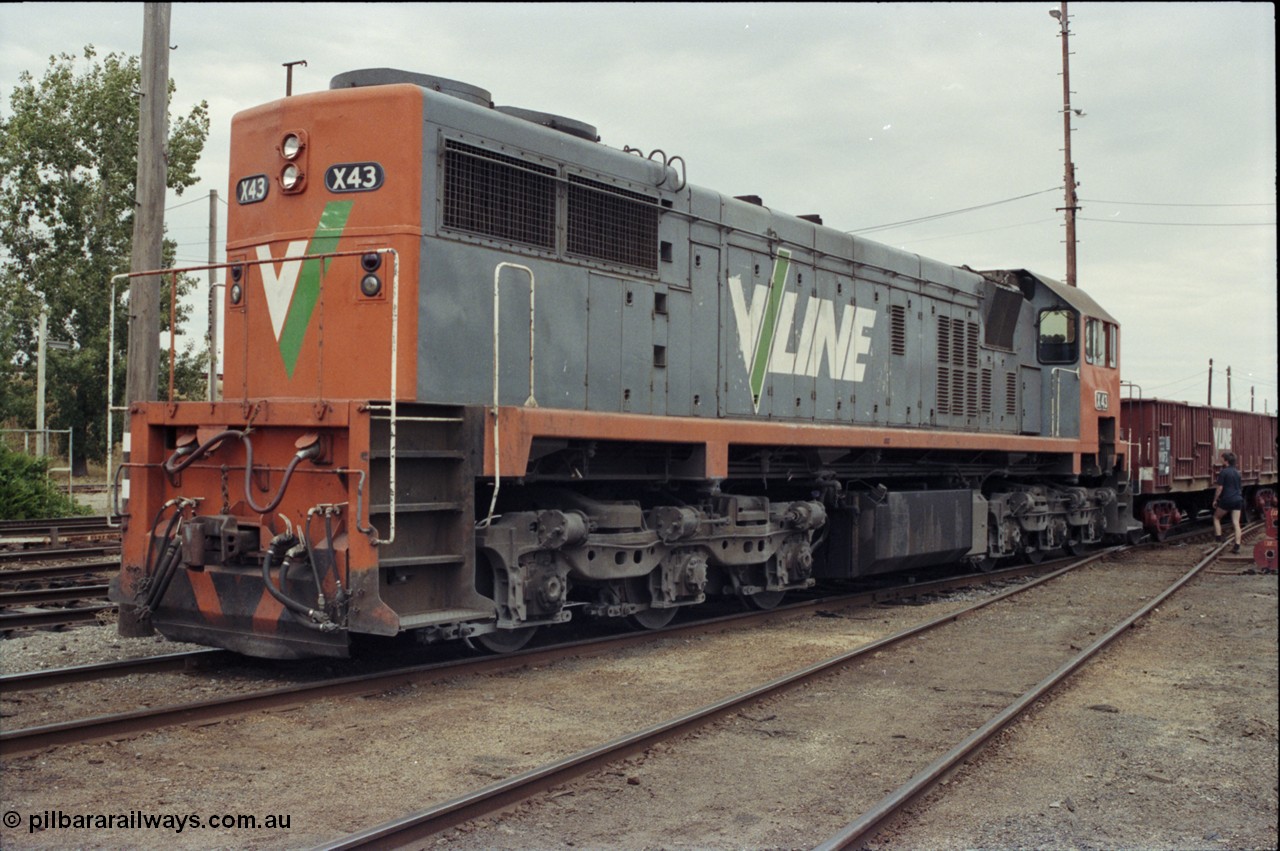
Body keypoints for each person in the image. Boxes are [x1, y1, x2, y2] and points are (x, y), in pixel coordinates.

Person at [1212, 451, 1244, 554]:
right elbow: (1239, 487)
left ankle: (1218, 540)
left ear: (1226, 461)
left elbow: (1219, 488)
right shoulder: (1238, 473)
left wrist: (1215, 499)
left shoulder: (1224, 472)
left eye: (1222, 459)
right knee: (1236, 523)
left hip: (1227, 499)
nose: (1221, 460)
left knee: (1216, 518)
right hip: (1238, 499)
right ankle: (1237, 546)